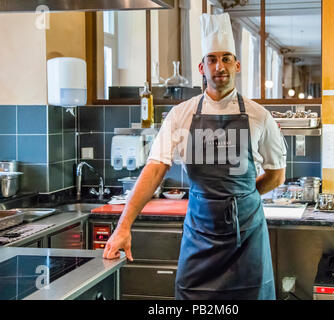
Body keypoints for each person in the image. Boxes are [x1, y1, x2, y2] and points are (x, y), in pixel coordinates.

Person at [103, 13, 286, 300]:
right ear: (202, 67)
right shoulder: (181, 115)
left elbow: (277, 175)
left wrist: (243, 198)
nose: (220, 66)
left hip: (246, 238)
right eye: (212, 59)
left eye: (226, 58)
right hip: (200, 235)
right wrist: (123, 226)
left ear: (237, 65)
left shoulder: (259, 116)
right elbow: (154, 168)